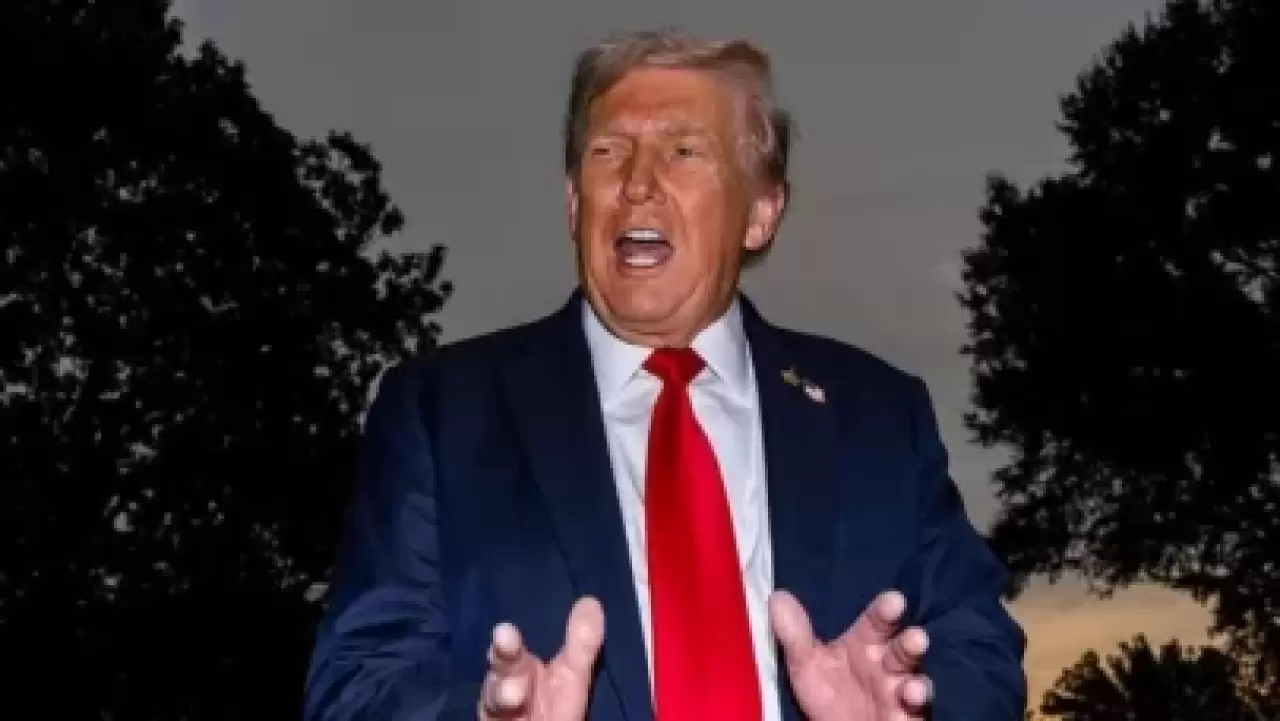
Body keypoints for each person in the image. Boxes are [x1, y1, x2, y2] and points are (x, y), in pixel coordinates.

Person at [303, 28, 1026, 721]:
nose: (637, 184)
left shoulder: (878, 416)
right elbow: (356, 684)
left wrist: (913, 711)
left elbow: (981, 650)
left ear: (761, 211)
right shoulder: (440, 414)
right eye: (608, 152)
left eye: (683, 150)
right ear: (573, 203)